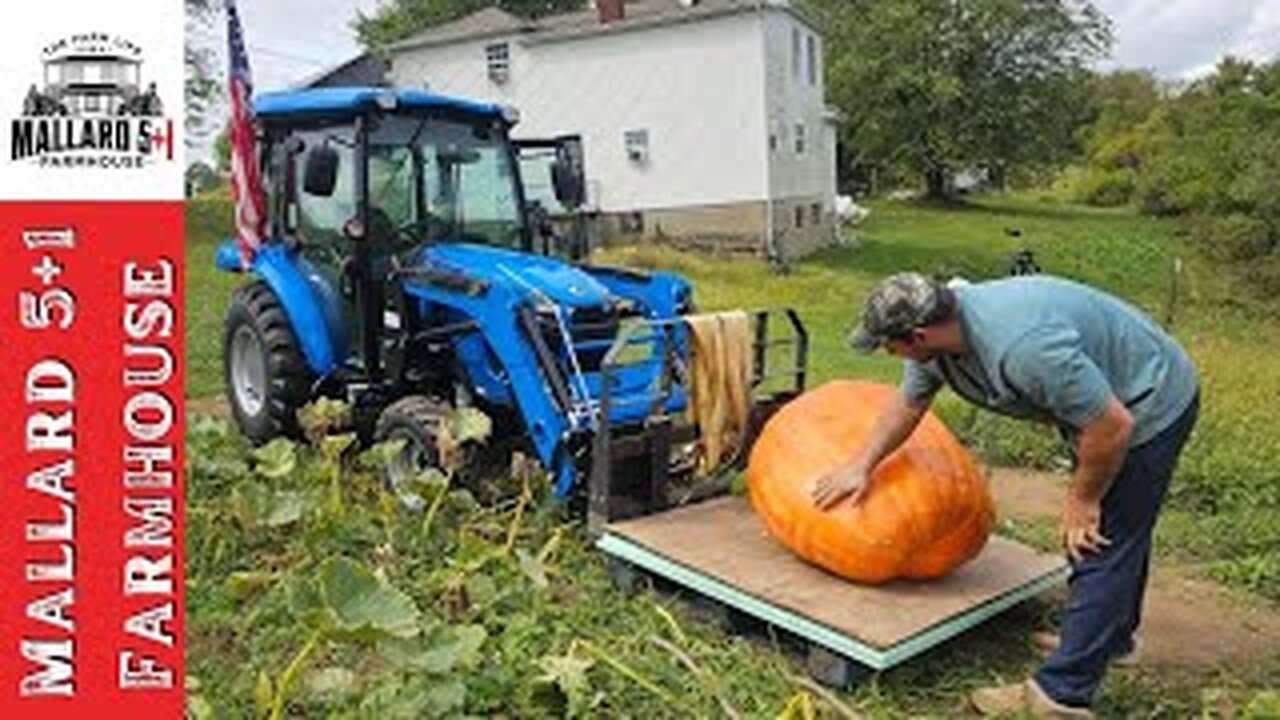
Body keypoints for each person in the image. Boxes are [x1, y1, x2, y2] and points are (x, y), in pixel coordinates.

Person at [812, 272, 1199, 719]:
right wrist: (860, 465)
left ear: (917, 336)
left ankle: (1061, 696)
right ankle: (1107, 638)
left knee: (1101, 539)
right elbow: (909, 404)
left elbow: (1111, 427)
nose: (885, 352)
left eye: (888, 344)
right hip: (1100, 408)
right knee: (1116, 533)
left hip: (1148, 404)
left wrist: (1083, 499)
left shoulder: (1025, 348)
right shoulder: (934, 339)